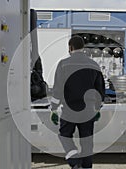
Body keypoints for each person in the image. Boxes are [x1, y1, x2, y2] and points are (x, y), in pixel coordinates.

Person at [50, 35, 105, 169]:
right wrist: (97, 108)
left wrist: (53, 108)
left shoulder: (63, 64)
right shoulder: (93, 64)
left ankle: (75, 162)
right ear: (83, 48)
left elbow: (58, 88)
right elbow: (100, 90)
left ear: (70, 47)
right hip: (88, 110)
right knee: (87, 142)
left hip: (69, 109)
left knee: (65, 136)